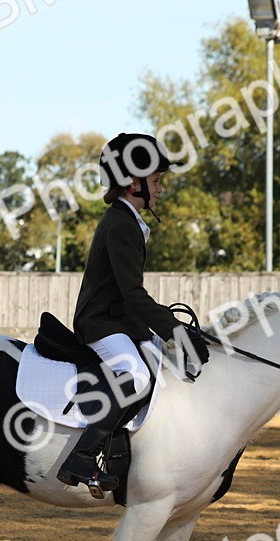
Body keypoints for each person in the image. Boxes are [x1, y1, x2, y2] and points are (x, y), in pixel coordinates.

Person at [55, 132, 210, 494]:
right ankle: (81, 456)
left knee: (157, 367)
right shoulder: (121, 223)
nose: (160, 189)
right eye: (155, 181)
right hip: (100, 322)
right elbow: (133, 295)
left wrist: (162, 332)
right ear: (131, 182)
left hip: (118, 320)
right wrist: (175, 330)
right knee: (136, 376)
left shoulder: (127, 220)